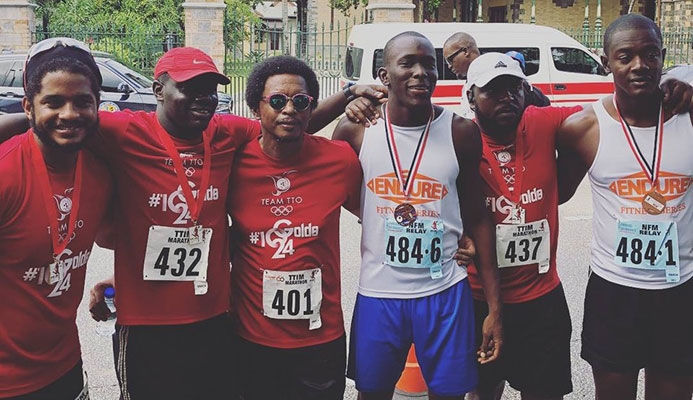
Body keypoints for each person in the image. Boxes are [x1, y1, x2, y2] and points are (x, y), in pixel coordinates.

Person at [0, 46, 386, 398]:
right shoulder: (120, 131)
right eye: (189, 88)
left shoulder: (227, 132)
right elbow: (59, 122)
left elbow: (287, 123)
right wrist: (31, 116)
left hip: (214, 318)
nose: (203, 98)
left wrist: (348, 96)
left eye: (209, 89)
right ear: (158, 90)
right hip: (146, 325)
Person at [333, 31, 502, 400]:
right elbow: (331, 189)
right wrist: (374, 214)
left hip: (444, 291)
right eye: (407, 63)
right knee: (372, 393)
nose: (421, 72)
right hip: (379, 293)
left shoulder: (460, 132)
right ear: (383, 75)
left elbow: (478, 217)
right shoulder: (356, 130)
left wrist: (493, 307)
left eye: (429, 63)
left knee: (450, 393)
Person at [556, 14, 693, 399]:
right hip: (614, 291)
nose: (639, 66)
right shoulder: (584, 128)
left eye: (650, 54)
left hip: (679, 289)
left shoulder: (689, 117)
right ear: (606, 62)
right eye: (625, 56)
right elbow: (555, 195)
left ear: (663, 57)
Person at [226, 55, 361, 399]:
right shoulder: (233, 163)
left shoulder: (339, 159)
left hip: (320, 338)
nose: (289, 109)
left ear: (310, 106)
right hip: (251, 338)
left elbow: (378, 214)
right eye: (277, 100)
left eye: (300, 101)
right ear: (256, 108)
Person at [0, 38, 111, 399]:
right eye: (53, 102)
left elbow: (122, 236)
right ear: (28, 108)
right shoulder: (6, 173)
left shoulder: (100, 172)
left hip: (65, 367)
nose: (69, 114)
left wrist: (118, 279)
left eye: (82, 101)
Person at [463, 52, 578, 400]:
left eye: (514, 88)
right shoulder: (457, 138)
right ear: (471, 97)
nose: (506, 98)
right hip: (477, 297)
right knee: (482, 389)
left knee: (544, 392)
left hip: (541, 297)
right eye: (493, 91)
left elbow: (609, 114)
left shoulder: (544, 122)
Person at [442, 33, 550, 119]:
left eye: (450, 60)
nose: (449, 66)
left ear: (465, 51)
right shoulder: (469, 82)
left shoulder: (502, 75)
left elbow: (543, 105)